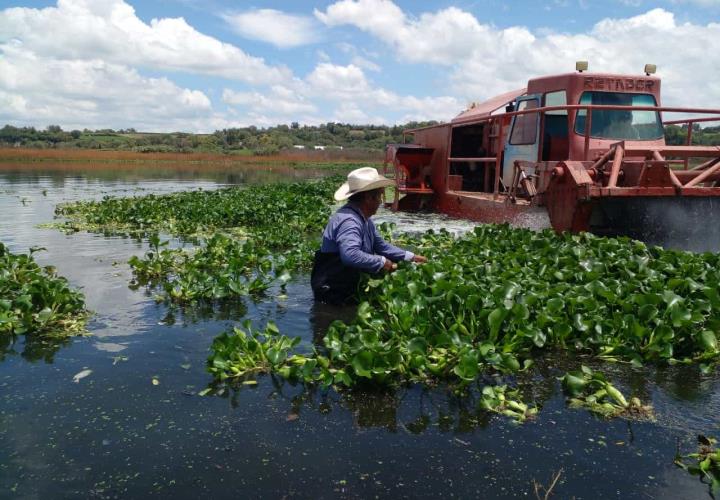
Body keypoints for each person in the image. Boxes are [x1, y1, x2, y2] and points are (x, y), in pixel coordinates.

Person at [311, 167, 427, 304]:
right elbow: (350, 255)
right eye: (380, 196)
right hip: (331, 290)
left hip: (345, 285)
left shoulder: (364, 219)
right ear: (368, 198)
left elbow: (381, 246)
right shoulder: (349, 221)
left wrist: (411, 257)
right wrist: (383, 262)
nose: (381, 202)